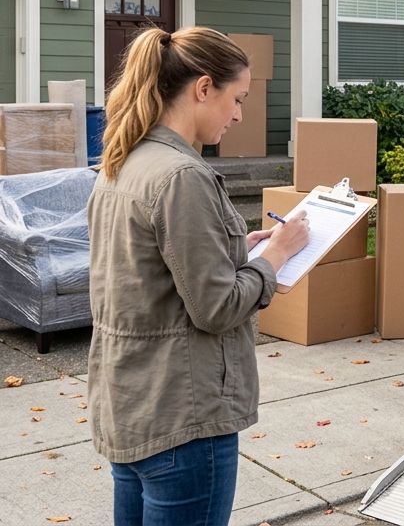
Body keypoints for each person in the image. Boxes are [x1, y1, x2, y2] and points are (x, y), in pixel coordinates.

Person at [87, 26, 310, 526]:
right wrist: (276, 256)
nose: (238, 115)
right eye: (237, 99)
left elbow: (148, 270)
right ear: (203, 88)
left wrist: (239, 246)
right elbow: (216, 308)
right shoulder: (182, 176)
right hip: (183, 418)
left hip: (131, 404)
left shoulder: (125, 161)